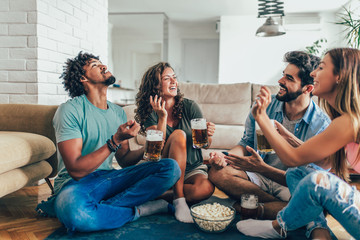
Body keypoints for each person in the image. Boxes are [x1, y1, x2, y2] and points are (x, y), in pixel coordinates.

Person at [36, 52, 181, 233]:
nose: (104, 66)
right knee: (75, 213)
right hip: (75, 184)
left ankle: (101, 207)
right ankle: (141, 210)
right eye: (95, 66)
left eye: (102, 63)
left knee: (170, 168)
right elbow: (76, 170)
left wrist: (145, 149)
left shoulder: (117, 112)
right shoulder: (69, 110)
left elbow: (124, 160)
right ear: (83, 78)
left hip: (109, 178)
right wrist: (115, 140)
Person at [237, 48, 360, 239]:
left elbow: (293, 158)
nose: (313, 73)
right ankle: (319, 231)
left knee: (316, 181)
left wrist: (261, 117)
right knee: (300, 174)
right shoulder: (344, 119)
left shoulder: (349, 121)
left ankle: (278, 226)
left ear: (339, 77)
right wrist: (289, 137)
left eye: (321, 67)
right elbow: (322, 163)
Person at [208, 51, 332, 238]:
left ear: (307, 88)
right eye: (283, 74)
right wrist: (225, 158)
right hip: (259, 176)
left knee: (313, 196)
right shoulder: (266, 106)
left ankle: (261, 210)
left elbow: (310, 176)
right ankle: (286, 211)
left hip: (290, 183)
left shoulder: (321, 125)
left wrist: (264, 168)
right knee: (218, 172)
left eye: (289, 78)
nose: (280, 81)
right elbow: (246, 143)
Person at [135, 62, 215, 223]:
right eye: (167, 78)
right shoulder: (150, 112)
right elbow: (156, 148)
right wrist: (162, 117)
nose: (174, 82)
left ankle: (160, 199)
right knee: (178, 135)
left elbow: (204, 145)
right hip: (166, 167)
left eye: (174, 77)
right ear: (156, 86)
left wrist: (208, 136)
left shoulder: (190, 106)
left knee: (205, 189)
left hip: (192, 167)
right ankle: (179, 201)